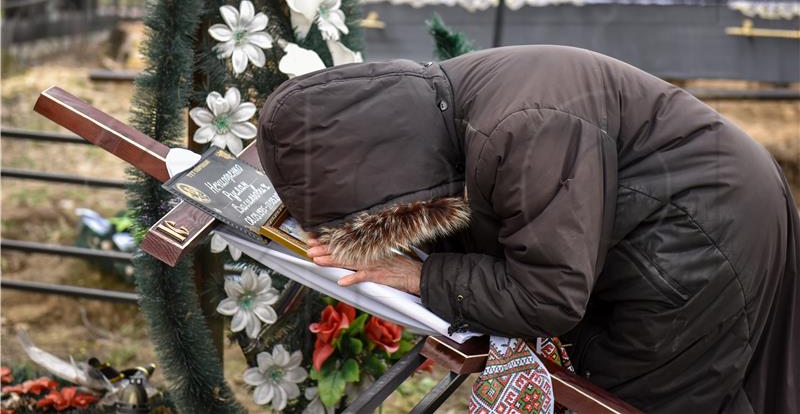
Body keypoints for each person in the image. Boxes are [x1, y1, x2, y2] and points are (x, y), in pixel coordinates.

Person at [256, 45, 798, 413]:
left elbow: (548, 295)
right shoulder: (443, 108)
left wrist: (417, 277)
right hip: (686, 215)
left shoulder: (521, 128)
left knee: (636, 399)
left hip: (696, 240)